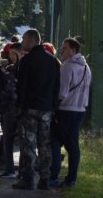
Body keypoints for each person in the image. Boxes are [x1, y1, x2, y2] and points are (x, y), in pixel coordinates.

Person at [12, 29, 60, 190]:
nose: (22, 41)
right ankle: (45, 179)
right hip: (46, 109)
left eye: (24, 38)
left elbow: (21, 87)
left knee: (29, 144)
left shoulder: (27, 61)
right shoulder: (52, 61)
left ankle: (28, 178)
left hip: (30, 108)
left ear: (33, 40)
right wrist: (53, 107)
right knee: (45, 144)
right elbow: (56, 87)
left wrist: (19, 107)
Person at [50, 37, 92, 187]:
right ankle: (71, 178)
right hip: (80, 110)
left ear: (73, 50)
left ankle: (53, 176)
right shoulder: (86, 67)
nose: (62, 50)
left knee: (54, 141)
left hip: (66, 110)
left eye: (65, 48)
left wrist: (54, 106)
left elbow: (62, 93)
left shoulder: (67, 67)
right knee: (73, 145)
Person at [0, 43, 23, 178]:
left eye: (14, 54)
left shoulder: (18, 69)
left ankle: (14, 170)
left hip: (14, 107)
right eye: (10, 54)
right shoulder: (10, 68)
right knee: (9, 138)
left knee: (16, 138)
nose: (11, 56)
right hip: (11, 108)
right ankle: (10, 168)